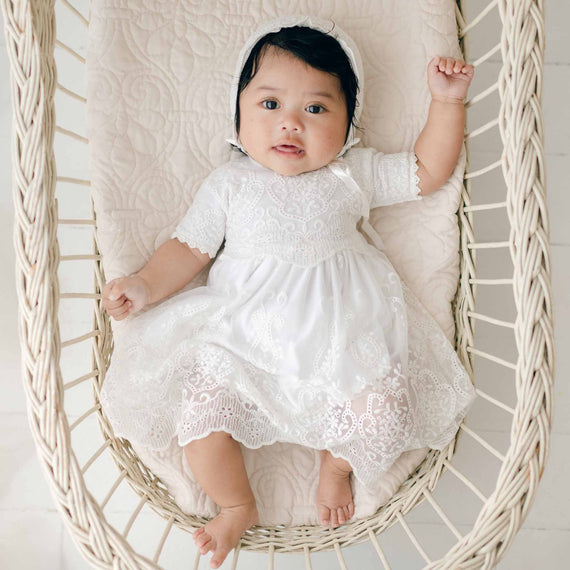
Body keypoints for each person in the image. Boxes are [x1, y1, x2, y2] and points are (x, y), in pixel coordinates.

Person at [100, 15, 477, 569]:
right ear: (239, 114)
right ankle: (235, 503)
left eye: (316, 109)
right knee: (199, 418)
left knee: (383, 411)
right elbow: (189, 248)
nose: (291, 125)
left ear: (349, 126)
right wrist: (144, 285)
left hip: (340, 340)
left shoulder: (353, 175)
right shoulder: (229, 184)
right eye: (270, 105)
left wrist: (446, 103)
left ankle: (336, 463)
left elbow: (426, 171)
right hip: (242, 340)